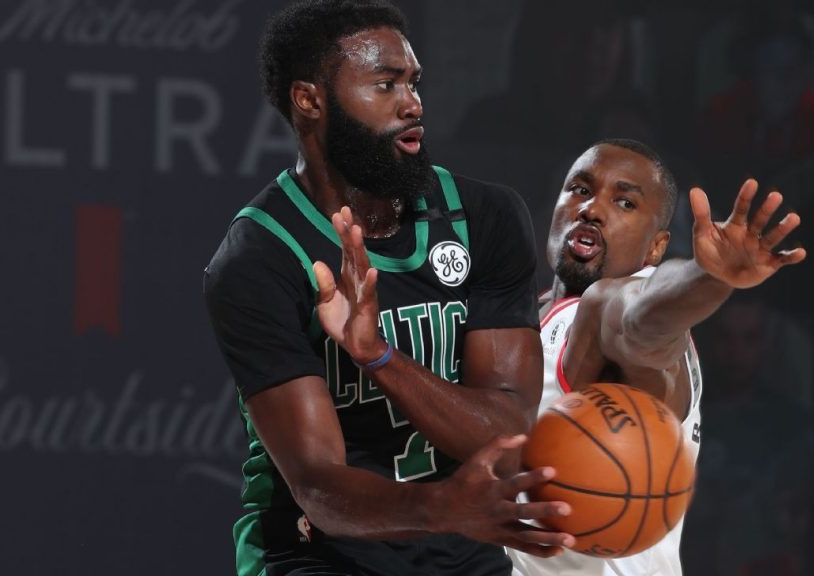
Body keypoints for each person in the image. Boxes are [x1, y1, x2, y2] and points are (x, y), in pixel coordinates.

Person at [203, 1, 573, 574]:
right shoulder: (259, 257)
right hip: (314, 554)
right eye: (385, 84)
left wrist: (377, 355)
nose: (412, 104)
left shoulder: (484, 216)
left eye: (414, 83)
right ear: (309, 100)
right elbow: (317, 486)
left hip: (462, 547)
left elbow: (506, 431)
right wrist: (439, 507)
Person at [508, 138, 807, 576]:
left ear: (655, 248)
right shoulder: (523, 318)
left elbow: (641, 320)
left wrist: (708, 276)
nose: (592, 209)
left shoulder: (612, 307)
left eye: (625, 203)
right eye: (580, 189)